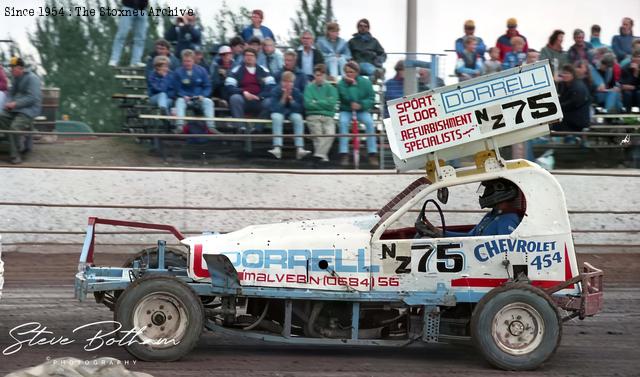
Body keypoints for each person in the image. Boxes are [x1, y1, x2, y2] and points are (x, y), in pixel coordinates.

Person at [417, 179, 523, 238]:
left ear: (500, 190)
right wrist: (438, 232)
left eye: (488, 190)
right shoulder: (491, 215)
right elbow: (470, 236)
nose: (485, 194)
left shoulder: (508, 219)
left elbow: (506, 251)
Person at [0, 57, 42, 164]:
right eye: (11, 68)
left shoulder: (33, 79)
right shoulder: (16, 79)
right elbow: (10, 93)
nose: (11, 70)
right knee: (1, 117)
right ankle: (18, 143)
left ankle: (15, 155)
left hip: (29, 110)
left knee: (14, 128)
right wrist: (8, 103)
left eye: (13, 68)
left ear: (20, 68)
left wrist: (15, 103)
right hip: (16, 109)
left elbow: (32, 98)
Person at [225, 47, 276, 132]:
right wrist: (243, 92)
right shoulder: (236, 70)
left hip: (259, 100)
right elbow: (229, 87)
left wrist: (260, 97)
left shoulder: (264, 70)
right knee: (234, 98)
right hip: (243, 100)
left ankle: (257, 129)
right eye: (246, 55)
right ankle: (240, 128)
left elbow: (271, 87)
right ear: (243, 57)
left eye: (251, 55)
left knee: (269, 102)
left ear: (256, 58)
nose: (249, 57)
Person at [337, 61, 377, 167]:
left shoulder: (366, 82)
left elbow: (371, 98)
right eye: (347, 72)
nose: (349, 74)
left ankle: (372, 153)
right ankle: (344, 153)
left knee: (369, 122)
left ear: (357, 72)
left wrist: (362, 105)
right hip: (346, 110)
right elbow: (347, 98)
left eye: (351, 72)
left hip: (362, 110)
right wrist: (352, 85)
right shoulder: (341, 83)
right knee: (343, 122)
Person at [267, 71, 310, 160]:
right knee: (276, 117)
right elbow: (274, 109)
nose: (288, 84)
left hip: (291, 112)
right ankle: (277, 147)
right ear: (281, 82)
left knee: (298, 118)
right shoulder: (275, 90)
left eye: (290, 82)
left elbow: (300, 109)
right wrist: (283, 98)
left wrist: (291, 101)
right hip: (279, 112)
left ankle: (300, 148)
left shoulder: (296, 91)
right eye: (286, 81)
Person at [172, 49, 215, 132]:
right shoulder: (178, 72)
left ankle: (211, 127)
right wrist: (183, 95)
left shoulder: (202, 70)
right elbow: (177, 88)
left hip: (199, 97)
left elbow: (207, 86)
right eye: (185, 61)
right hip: (186, 98)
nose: (187, 63)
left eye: (189, 61)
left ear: (193, 60)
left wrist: (203, 95)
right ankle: (180, 126)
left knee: (209, 102)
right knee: (179, 101)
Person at [304, 64, 338, 163]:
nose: (319, 77)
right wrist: (324, 102)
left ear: (325, 75)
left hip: (328, 116)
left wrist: (316, 101)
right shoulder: (309, 88)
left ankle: (318, 156)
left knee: (330, 134)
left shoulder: (331, 88)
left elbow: (332, 104)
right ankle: (323, 158)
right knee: (318, 137)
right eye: (317, 75)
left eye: (321, 75)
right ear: (314, 75)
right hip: (313, 116)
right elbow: (308, 104)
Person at [107, 0, 148, 67]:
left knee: (140, 38)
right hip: (128, 7)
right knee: (122, 34)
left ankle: (136, 61)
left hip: (142, 9)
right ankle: (114, 59)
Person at [556, 64, 591, 132]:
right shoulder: (564, 85)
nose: (565, 75)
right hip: (570, 116)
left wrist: (557, 107)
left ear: (573, 74)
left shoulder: (578, 87)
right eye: (563, 73)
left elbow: (573, 103)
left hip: (577, 119)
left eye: (567, 73)